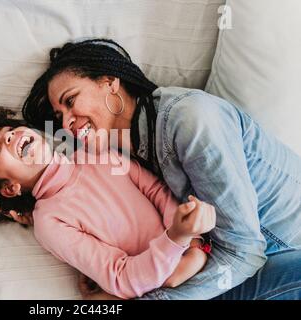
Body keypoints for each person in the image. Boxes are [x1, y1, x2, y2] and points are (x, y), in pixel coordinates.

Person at [21, 38, 301, 300]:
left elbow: (244, 251)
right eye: (59, 117)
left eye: (71, 101)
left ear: (109, 82)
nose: (68, 121)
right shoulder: (114, 152)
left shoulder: (191, 119)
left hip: (280, 246)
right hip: (226, 263)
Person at [0, 109, 215, 299]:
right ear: (10, 188)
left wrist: (191, 242)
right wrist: (175, 242)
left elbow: (155, 190)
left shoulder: (99, 155)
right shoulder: (51, 222)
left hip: (199, 250)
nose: (9, 137)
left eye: (9, 130)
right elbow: (121, 278)